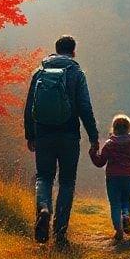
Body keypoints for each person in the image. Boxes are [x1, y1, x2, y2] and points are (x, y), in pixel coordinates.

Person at [23, 35, 99, 247]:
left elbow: (30, 107)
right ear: (73, 51)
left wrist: (30, 134)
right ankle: (60, 235)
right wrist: (93, 137)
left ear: (55, 50)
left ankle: (44, 208)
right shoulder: (76, 73)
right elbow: (85, 107)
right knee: (66, 182)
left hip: (44, 134)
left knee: (44, 177)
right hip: (69, 136)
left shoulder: (39, 72)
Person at [89, 113, 130, 242]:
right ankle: (126, 216)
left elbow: (100, 162)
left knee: (115, 204)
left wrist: (93, 153)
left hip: (113, 179)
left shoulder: (110, 144)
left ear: (114, 128)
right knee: (126, 200)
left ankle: (119, 230)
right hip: (128, 178)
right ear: (129, 128)